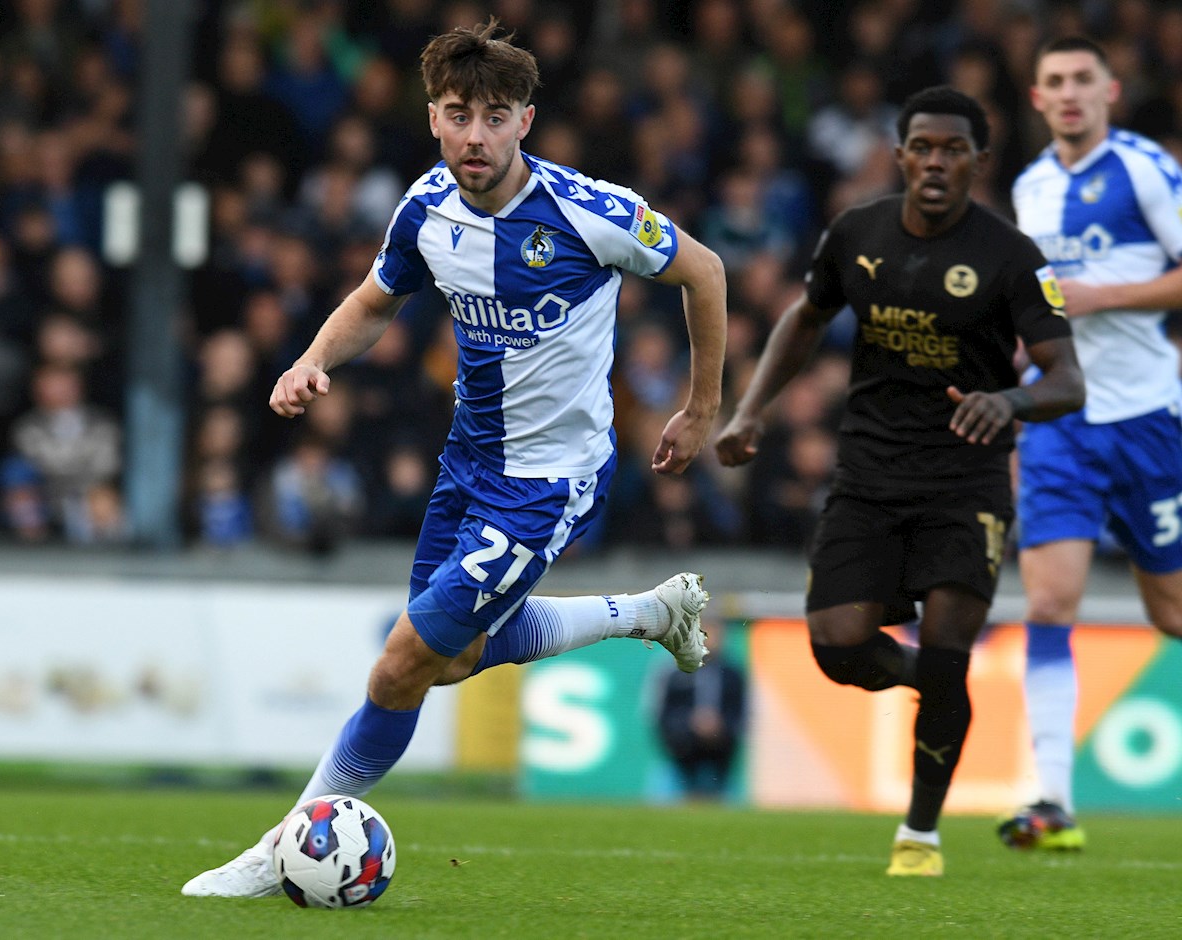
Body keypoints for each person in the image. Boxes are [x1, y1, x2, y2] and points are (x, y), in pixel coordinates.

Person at [182, 19, 727, 898]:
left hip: (549, 484)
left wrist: (699, 409)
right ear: (434, 118)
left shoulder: (586, 212)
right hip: (466, 465)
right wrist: (312, 359)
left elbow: (705, 271)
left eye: (495, 116)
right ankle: (649, 615)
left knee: (401, 661)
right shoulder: (426, 210)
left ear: (526, 122)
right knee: (454, 660)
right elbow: (372, 300)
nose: (476, 135)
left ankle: (280, 845)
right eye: (457, 114)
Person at [714, 86, 1084, 877]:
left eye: (955, 149)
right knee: (837, 645)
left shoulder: (1012, 257)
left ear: (978, 163)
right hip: (869, 476)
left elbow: (1068, 381)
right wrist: (750, 411)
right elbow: (805, 317)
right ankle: (940, 688)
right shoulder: (857, 233)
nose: (937, 161)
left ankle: (919, 835)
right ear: (902, 155)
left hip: (965, 484)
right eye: (924, 146)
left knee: (950, 638)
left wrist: (1008, 398)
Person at [1002, 37, 1182, 852]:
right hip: (1062, 420)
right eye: (1055, 83)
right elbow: (1039, 303)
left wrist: (1098, 297)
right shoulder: (1031, 188)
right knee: (1048, 604)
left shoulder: (1144, 168)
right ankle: (1052, 802)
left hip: (1148, 417)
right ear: (1037, 99)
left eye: (1083, 80)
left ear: (1110, 89)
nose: (1070, 94)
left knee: (1169, 612)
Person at [655, 619, 747, 800]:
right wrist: (688, 724)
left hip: (722, 740)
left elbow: (740, 709)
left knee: (719, 788)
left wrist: (723, 726)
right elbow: (664, 710)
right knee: (684, 786)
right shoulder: (675, 671)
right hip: (685, 741)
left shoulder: (732, 673)